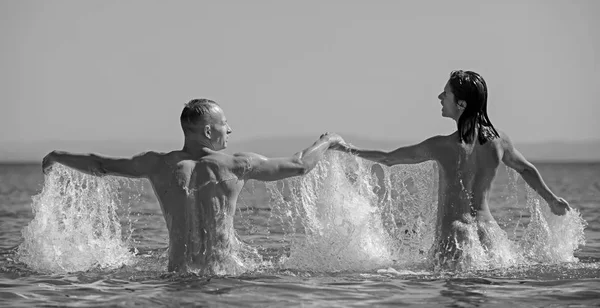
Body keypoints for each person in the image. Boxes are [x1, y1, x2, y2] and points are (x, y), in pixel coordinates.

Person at [42, 99, 344, 274]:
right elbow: (300, 164)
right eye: (225, 123)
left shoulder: (157, 164)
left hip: (176, 277)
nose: (230, 129)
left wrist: (59, 156)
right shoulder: (236, 164)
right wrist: (327, 140)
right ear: (209, 129)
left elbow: (100, 164)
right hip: (223, 276)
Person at [332, 70, 571, 265]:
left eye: (445, 93)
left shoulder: (443, 146)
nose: (439, 97)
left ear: (461, 103)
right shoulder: (500, 142)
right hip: (491, 233)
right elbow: (526, 169)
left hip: (455, 235)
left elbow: (389, 158)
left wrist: (344, 148)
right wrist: (551, 200)